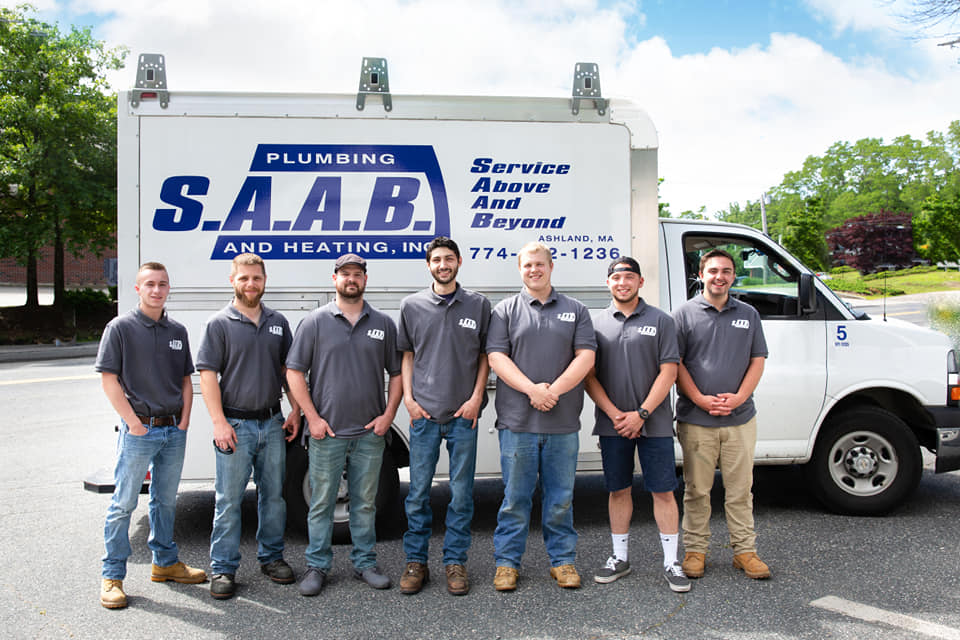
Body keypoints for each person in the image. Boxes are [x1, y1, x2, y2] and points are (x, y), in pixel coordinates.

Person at [286, 253, 402, 596]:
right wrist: (312, 417)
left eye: (357, 274)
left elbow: (396, 374)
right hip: (328, 433)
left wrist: (388, 416)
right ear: (334, 278)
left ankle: (365, 562)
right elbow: (294, 372)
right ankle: (317, 566)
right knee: (321, 502)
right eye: (345, 274)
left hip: (369, 433)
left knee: (365, 502)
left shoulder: (382, 323)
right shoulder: (315, 322)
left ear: (365, 279)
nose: (351, 279)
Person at [486, 242, 596, 591]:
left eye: (540, 264)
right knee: (515, 499)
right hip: (517, 423)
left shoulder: (576, 310)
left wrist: (553, 391)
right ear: (520, 269)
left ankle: (562, 562)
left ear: (552, 267)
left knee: (561, 497)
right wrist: (534, 390)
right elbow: (496, 358)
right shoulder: (504, 310)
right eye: (528, 265)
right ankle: (507, 564)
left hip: (562, 423)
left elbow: (585, 357)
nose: (534, 270)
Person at [96, 262, 206, 609]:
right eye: (150, 285)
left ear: (168, 288)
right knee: (124, 503)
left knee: (166, 500)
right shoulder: (120, 328)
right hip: (139, 430)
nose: (156, 290)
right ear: (138, 289)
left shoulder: (177, 330)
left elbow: (186, 379)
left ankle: (165, 563)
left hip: (173, 430)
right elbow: (109, 379)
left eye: (162, 284)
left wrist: (185, 420)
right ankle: (112, 575)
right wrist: (132, 422)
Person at [197, 253, 301, 599]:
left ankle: (271, 558)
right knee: (228, 500)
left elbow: (290, 372)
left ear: (265, 280)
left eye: (256, 278)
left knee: (274, 497)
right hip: (236, 424)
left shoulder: (277, 322)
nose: (250, 284)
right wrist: (219, 423)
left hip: (272, 422)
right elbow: (208, 375)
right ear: (232, 281)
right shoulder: (219, 324)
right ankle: (223, 568)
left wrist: (296, 410)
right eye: (244, 278)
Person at [584, 257, 690, 593]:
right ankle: (620, 558)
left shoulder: (661, 321)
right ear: (608, 283)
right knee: (618, 490)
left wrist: (641, 414)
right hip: (613, 424)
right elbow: (589, 377)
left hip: (654, 423)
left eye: (629, 277)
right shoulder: (595, 324)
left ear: (640, 282)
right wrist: (616, 414)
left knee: (663, 490)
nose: (622, 282)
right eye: (616, 277)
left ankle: (672, 562)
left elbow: (669, 371)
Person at [397, 237, 490, 596]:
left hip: (463, 416)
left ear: (459, 262)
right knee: (418, 494)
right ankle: (416, 562)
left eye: (449, 259)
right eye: (436, 260)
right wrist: (409, 400)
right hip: (424, 417)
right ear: (429, 265)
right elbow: (407, 355)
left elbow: (485, 355)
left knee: (462, 494)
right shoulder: (412, 305)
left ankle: (455, 563)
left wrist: (476, 398)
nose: (443, 264)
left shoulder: (479, 305)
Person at [672, 248, 770, 580]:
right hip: (696, 419)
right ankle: (696, 552)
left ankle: (745, 552)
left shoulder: (749, 314)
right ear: (701, 275)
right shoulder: (683, 315)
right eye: (713, 270)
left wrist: (740, 396)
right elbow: (676, 364)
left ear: (732, 276)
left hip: (740, 418)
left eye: (726, 271)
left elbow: (758, 359)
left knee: (741, 489)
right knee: (697, 490)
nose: (719, 276)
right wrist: (699, 398)